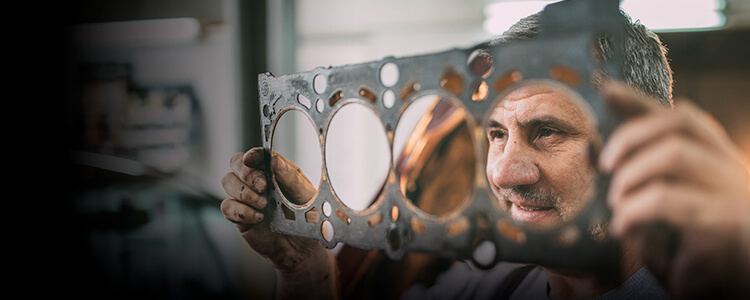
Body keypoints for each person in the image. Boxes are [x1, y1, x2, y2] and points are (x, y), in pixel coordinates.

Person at [220, 11, 750, 300]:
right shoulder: (483, 286)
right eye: (496, 134)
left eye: (546, 132)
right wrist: (305, 270)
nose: (503, 172)